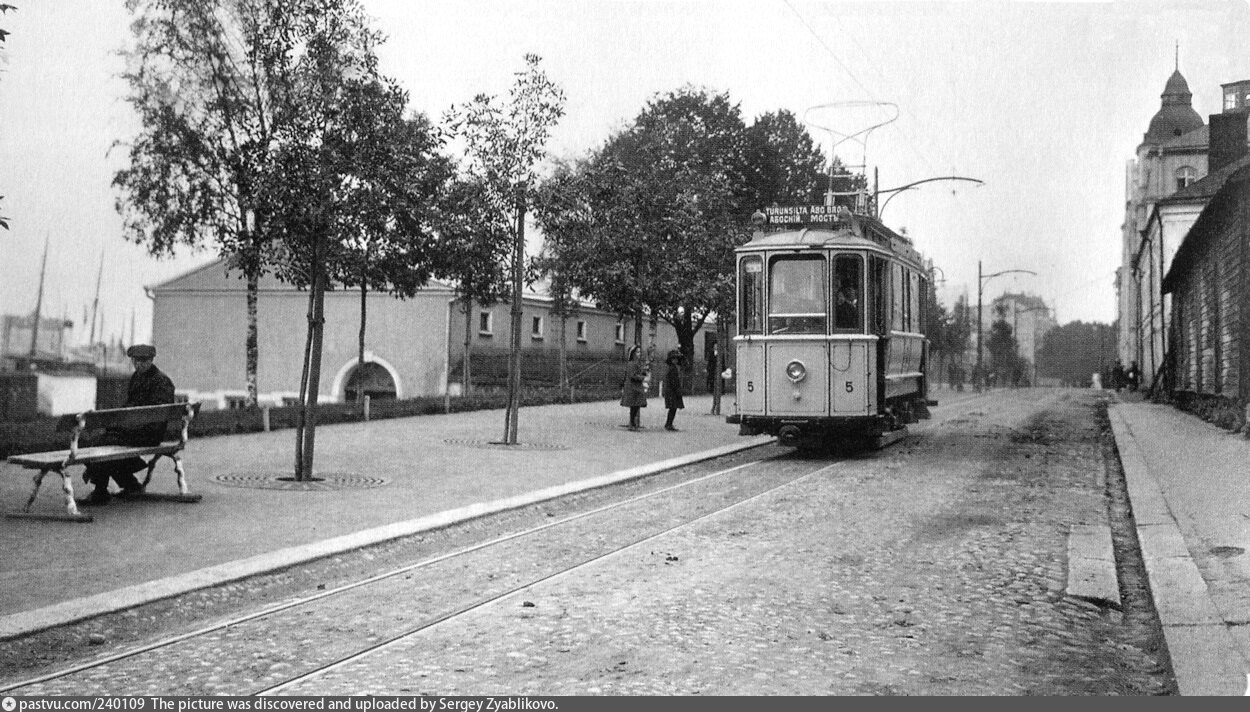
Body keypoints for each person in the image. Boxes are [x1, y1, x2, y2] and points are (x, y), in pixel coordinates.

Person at [78, 344, 177, 506]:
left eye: (143, 361)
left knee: (104, 443)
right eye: (136, 361)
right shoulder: (137, 377)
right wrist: (117, 423)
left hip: (149, 433)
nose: (139, 364)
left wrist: (123, 425)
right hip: (137, 430)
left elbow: (155, 418)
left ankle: (100, 491)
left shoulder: (161, 382)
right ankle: (130, 484)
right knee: (96, 441)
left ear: (151, 360)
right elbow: (130, 406)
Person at [620, 345, 649, 431]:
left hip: (636, 387)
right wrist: (643, 378)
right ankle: (632, 424)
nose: (639, 354)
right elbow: (632, 376)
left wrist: (644, 372)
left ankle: (632, 423)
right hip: (633, 387)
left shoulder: (637, 363)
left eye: (640, 352)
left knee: (636, 406)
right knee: (634, 406)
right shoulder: (631, 363)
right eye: (637, 352)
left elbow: (637, 372)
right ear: (632, 354)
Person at [662, 349, 685, 431]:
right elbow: (673, 381)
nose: (676, 360)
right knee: (673, 408)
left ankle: (669, 423)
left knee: (672, 408)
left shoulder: (672, 368)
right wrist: (678, 390)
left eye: (676, 359)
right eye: (674, 359)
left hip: (671, 391)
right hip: (672, 392)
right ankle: (669, 424)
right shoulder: (673, 369)